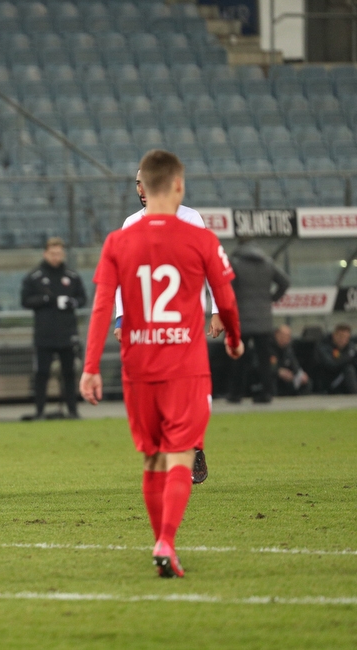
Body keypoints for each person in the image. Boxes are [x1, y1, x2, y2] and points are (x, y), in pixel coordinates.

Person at [79, 149, 243, 579]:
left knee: (153, 458)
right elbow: (224, 293)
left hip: (139, 362)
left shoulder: (119, 239)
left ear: (143, 187)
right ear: (177, 184)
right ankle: (166, 541)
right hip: (184, 358)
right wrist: (235, 336)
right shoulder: (199, 236)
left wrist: (91, 365)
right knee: (181, 454)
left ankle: (160, 542)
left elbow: (100, 304)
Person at [115, 168, 222, 484]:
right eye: (139, 183)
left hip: (183, 320)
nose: (143, 188)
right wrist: (122, 317)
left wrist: (217, 310)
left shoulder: (189, 218)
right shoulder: (131, 224)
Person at [21, 237, 88, 420]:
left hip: (67, 334)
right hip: (44, 335)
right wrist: (45, 300)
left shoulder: (71, 276)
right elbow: (25, 300)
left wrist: (72, 302)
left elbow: (82, 299)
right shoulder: (35, 277)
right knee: (42, 374)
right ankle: (40, 411)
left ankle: (73, 411)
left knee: (69, 374)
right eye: (52, 253)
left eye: (59, 253)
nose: (56, 257)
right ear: (45, 253)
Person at [226, 239, 290, 404]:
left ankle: (236, 394)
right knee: (264, 359)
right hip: (264, 320)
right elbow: (285, 282)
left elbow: (228, 288)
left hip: (242, 320)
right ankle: (267, 393)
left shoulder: (235, 263)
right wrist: (271, 298)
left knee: (239, 358)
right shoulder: (267, 263)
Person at [314, 324, 357, 394]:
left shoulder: (350, 348)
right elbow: (331, 365)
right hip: (329, 381)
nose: (343, 340)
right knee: (348, 369)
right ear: (334, 335)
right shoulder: (324, 347)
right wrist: (350, 356)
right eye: (341, 337)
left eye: (346, 338)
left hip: (344, 380)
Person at [271, 324, 310, 396]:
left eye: (289, 336)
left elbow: (294, 363)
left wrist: (299, 374)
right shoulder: (268, 348)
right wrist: (278, 372)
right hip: (273, 375)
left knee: (306, 381)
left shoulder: (288, 348)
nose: (287, 339)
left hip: (288, 376)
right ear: (277, 335)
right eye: (284, 336)